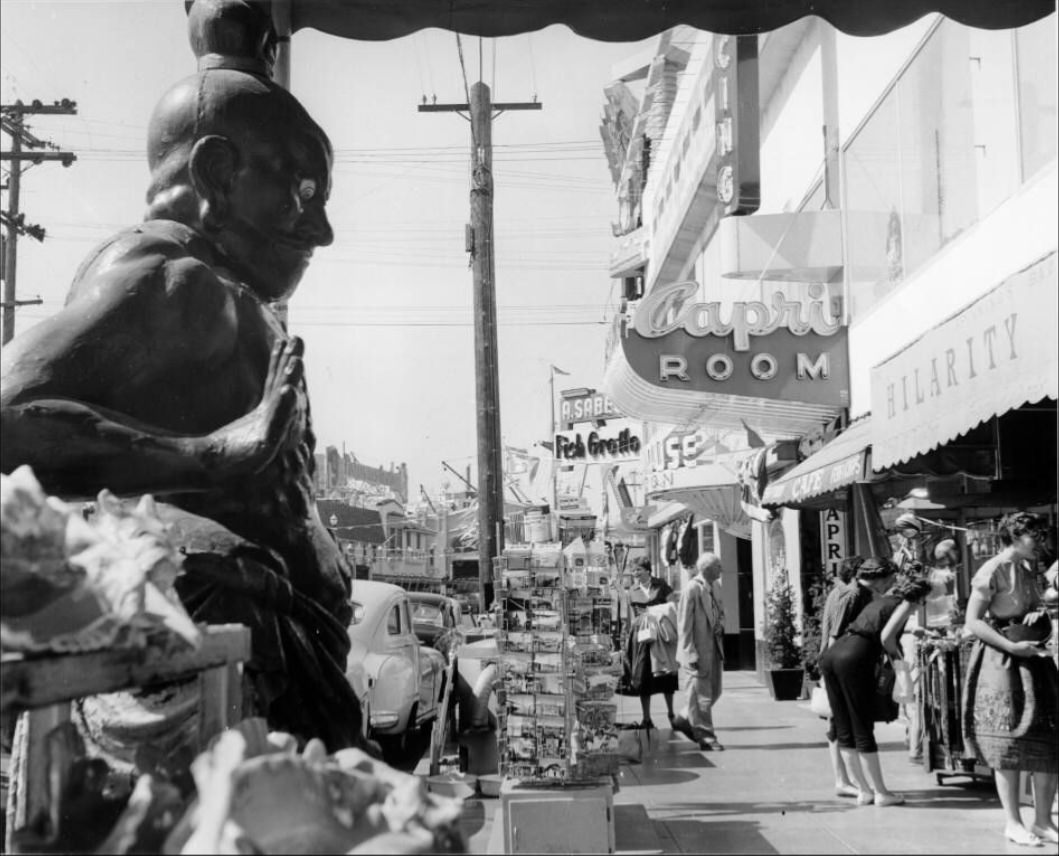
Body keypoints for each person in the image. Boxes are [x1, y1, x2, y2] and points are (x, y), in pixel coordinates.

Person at [0, 3, 364, 754]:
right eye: (301, 194)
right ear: (216, 174)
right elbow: (9, 413)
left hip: (280, 660)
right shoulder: (176, 279)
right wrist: (212, 458)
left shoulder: (222, 289)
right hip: (226, 677)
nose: (320, 229)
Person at [962, 511, 1058, 847]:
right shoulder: (992, 569)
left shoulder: (1029, 568)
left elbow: (1034, 605)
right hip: (1004, 660)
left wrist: (1038, 612)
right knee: (1008, 742)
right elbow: (973, 621)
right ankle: (1013, 822)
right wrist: (1010, 646)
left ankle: (1044, 820)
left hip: (1034, 659)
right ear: (1016, 537)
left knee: (1047, 738)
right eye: (1035, 536)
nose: (1041, 542)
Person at [819, 558, 931, 806]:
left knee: (845, 727)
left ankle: (864, 790)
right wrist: (899, 664)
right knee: (862, 726)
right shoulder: (906, 602)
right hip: (855, 657)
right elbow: (887, 637)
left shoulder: (881, 601)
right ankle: (880, 792)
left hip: (835, 655)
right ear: (919, 596)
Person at [817, 555, 868, 797]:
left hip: (829, 660)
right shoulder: (850, 595)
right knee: (839, 723)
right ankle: (843, 780)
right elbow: (836, 634)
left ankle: (843, 778)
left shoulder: (835, 593)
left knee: (836, 723)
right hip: (838, 663)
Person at [674, 552, 726, 751]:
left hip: (714, 646)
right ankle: (706, 736)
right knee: (701, 696)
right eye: (718, 567)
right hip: (697, 648)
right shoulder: (692, 589)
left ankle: (685, 717)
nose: (721, 570)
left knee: (714, 691)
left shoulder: (716, 586)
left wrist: (721, 624)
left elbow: (720, 611)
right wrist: (688, 652)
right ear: (707, 569)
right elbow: (684, 624)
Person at [622, 556, 678, 729]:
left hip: (661, 635)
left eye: (638, 569)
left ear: (647, 570)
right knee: (643, 676)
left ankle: (671, 713)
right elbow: (630, 617)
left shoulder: (661, 585)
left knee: (667, 676)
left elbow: (673, 605)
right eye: (633, 570)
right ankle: (646, 718)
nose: (635, 573)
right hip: (642, 637)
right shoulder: (631, 591)